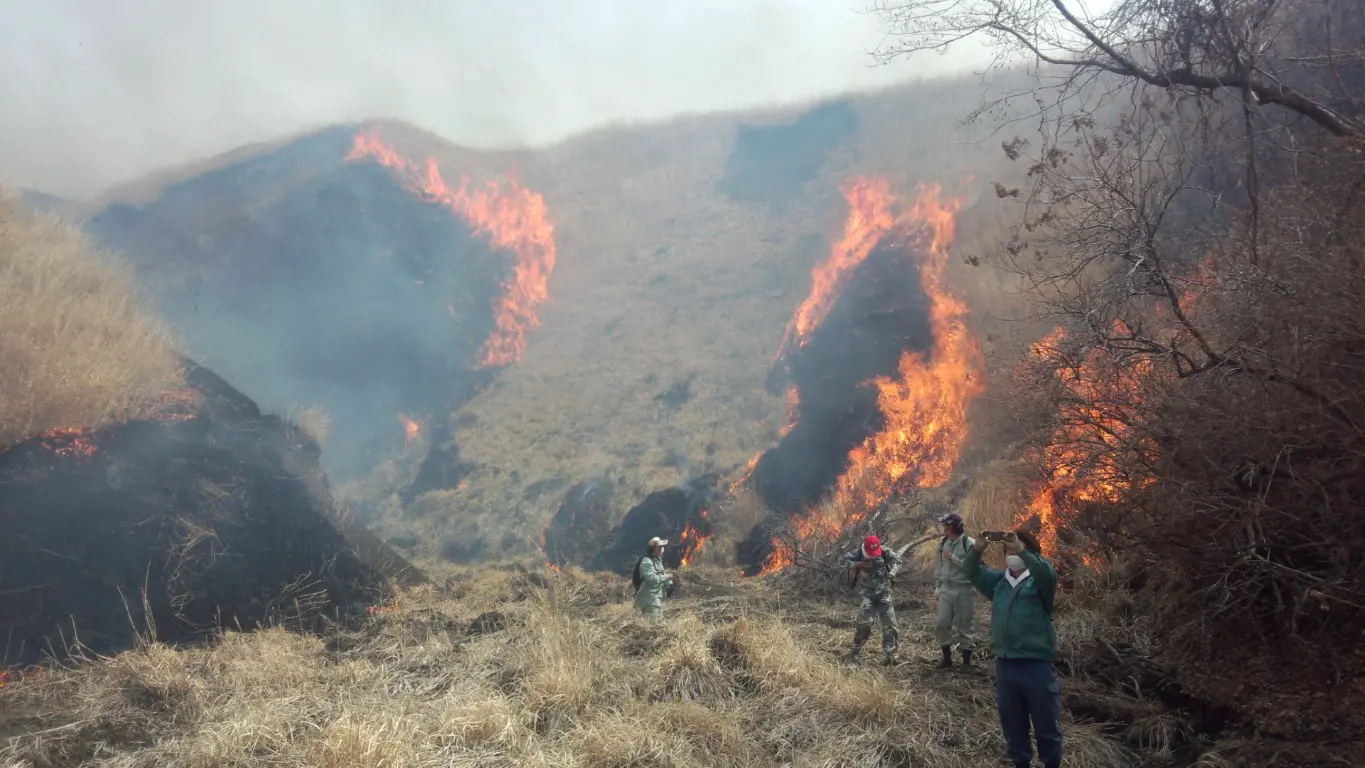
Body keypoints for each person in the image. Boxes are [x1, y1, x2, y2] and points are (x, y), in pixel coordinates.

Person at [964, 529, 1062, 768]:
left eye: (1016, 550)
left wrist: (1022, 550)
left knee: (1046, 726)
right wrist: (976, 549)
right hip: (1005, 665)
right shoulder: (999, 582)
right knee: (1013, 726)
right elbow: (971, 571)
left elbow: (1045, 571)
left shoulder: (1040, 581)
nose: (1012, 555)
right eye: (1008, 550)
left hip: (1035, 665)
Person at [839, 534, 903, 665]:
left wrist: (892, 573)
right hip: (867, 594)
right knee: (865, 624)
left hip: (884, 594)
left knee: (890, 624)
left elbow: (898, 561)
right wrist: (857, 564)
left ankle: (891, 656)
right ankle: (855, 652)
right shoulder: (858, 553)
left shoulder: (885, 552)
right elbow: (842, 561)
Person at [934, 511, 977, 669]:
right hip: (946, 588)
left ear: (951, 527)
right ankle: (947, 659)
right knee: (942, 623)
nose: (943, 528)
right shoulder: (943, 542)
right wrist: (938, 586)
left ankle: (966, 662)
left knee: (964, 625)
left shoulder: (969, 543)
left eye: (945, 525)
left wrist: (953, 557)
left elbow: (971, 567)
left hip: (963, 589)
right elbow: (939, 566)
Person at [632, 536, 674, 621]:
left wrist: (669, 585)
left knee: (658, 625)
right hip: (649, 598)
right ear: (652, 548)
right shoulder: (647, 561)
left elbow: (661, 573)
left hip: (657, 597)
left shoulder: (656, 559)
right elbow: (652, 579)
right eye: (658, 547)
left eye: (661, 547)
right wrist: (667, 577)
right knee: (652, 625)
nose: (660, 549)